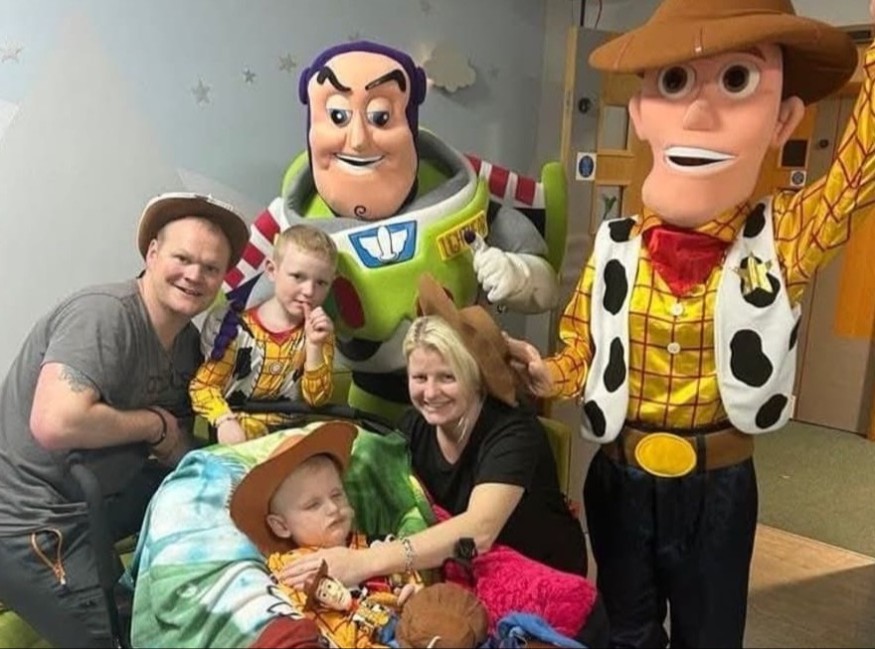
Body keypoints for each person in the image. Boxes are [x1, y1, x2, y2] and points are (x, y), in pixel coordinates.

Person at [505, 0, 874, 646]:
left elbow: (857, 173)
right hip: (619, 478)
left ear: (783, 118)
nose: (700, 112)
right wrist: (544, 373)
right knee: (627, 632)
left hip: (717, 488)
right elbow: (581, 351)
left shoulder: (781, 238)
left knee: (710, 636)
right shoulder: (614, 244)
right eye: (675, 81)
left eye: (735, 80)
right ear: (640, 113)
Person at [223, 40, 564, 421]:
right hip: (369, 405)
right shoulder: (301, 224)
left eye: (381, 116)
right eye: (338, 116)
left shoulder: (459, 198)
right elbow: (246, 310)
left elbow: (548, 289)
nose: (358, 140)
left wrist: (519, 275)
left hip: (459, 400)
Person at [0, 192, 249, 647]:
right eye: (182, 258)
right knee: (128, 637)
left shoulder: (189, 346)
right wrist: (151, 425)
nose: (195, 275)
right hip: (30, 517)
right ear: (152, 254)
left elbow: (176, 447)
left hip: (102, 502)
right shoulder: (105, 315)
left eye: (211, 268)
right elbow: (55, 422)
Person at [277, 273, 589, 592]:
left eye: (447, 377)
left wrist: (364, 562)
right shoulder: (414, 426)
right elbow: (396, 503)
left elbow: (479, 531)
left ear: (475, 378)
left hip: (543, 583)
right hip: (465, 572)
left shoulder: (514, 431)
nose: (430, 392)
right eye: (420, 377)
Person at [229, 421, 423, 648]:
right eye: (313, 505)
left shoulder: (380, 546)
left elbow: (415, 584)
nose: (332, 508)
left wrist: (416, 594)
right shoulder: (291, 571)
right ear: (281, 526)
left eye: (337, 495)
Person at [190, 224, 337, 444]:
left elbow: (317, 400)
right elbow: (203, 386)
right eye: (298, 276)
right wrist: (224, 420)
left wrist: (315, 346)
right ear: (271, 270)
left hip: (290, 439)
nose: (309, 291)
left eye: (321, 283)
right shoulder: (235, 328)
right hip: (237, 434)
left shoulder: (320, 333)